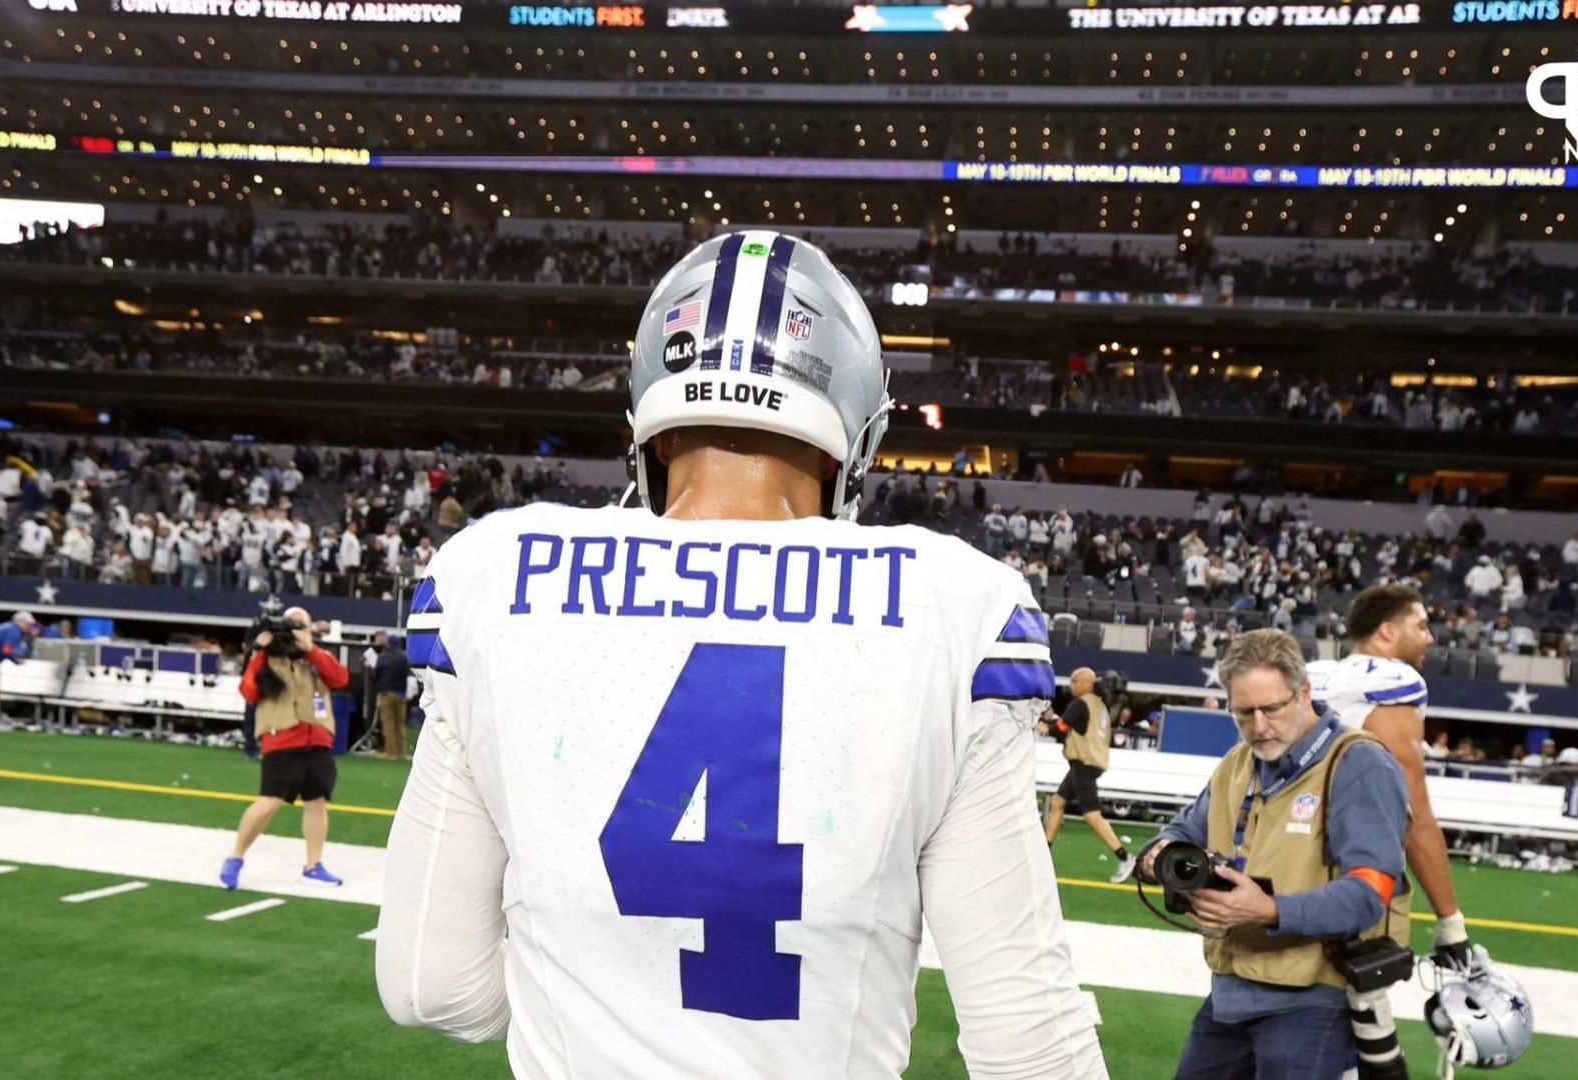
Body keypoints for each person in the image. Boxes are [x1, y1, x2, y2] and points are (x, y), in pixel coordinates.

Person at [377, 233, 1107, 1078]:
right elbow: (1030, 1042)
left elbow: (432, 987)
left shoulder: (494, 574)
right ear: (857, 433)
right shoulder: (955, 603)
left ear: (649, 415)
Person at [1140, 630, 1411, 1080]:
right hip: (1230, 990)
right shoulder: (1238, 762)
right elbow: (1181, 830)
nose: (1259, 726)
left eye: (1272, 708)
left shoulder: (1358, 763)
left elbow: (1370, 893)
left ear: (1304, 693)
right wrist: (1159, 854)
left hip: (1311, 1000)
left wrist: (1269, 909)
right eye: (1243, 712)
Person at [1307, 584, 1483, 1078]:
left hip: (1288, 857)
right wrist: (1451, 923)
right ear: (1387, 632)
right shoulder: (1393, 681)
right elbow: (1413, 812)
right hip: (1352, 870)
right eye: (1420, 626)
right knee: (1360, 1007)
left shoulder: (1316, 675)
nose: (1429, 639)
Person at [220, 606, 350, 890]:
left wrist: (310, 648)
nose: (294, 632)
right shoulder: (265, 657)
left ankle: (313, 865)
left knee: (317, 802)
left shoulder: (317, 656)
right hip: (281, 738)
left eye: (301, 625)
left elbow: (341, 679)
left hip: (317, 738)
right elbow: (249, 692)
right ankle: (236, 857)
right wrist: (258, 651)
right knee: (269, 801)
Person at [1040, 667, 1136, 883]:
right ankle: (1044, 854)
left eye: (1075, 681)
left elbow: (1060, 729)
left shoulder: (1080, 704)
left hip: (1083, 763)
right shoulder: (1099, 706)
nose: (1071, 685)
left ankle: (1125, 856)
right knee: (1057, 802)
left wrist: (1041, 725)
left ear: (1086, 683)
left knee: (1092, 814)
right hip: (1088, 762)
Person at [0, 611, 40, 732]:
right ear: (21, 622)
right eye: (28, 624)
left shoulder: (6, 627)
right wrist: (17, 661)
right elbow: (7, 650)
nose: (29, 627)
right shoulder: (13, 631)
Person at [370, 629, 411, 760]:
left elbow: (375, 675)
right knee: (400, 723)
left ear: (388, 643)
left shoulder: (382, 657)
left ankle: (390, 751)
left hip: (387, 693)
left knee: (388, 723)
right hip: (401, 694)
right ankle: (401, 751)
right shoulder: (404, 657)